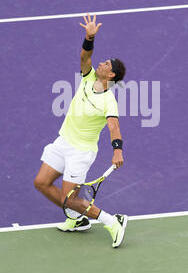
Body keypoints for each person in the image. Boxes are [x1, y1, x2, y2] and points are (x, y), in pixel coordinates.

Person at [34, 14, 127, 248]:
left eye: (106, 64)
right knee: (41, 183)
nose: (101, 64)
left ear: (112, 74)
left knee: (69, 198)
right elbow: (85, 55)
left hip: (81, 152)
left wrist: (117, 151)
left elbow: (114, 127)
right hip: (63, 142)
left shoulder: (109, 101)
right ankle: (77, 219)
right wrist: (89, 36)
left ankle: (112, 221)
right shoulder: (88, 77)